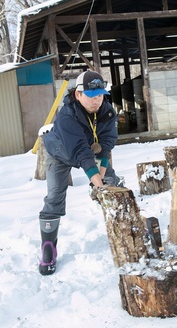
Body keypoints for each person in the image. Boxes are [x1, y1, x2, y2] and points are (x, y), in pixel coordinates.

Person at [38, 70, 123, 276]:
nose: (97, 101)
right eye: (92, 97)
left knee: (112, 184)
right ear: (78, 94)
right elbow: (80, 153)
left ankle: (128, 227)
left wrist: (100, 181)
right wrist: (96, 181)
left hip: (89, 152)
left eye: (101, 95)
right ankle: (48, 246)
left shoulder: (108, 112)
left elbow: (106, 146)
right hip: (60, 153)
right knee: (55, 196)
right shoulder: (67, 116)